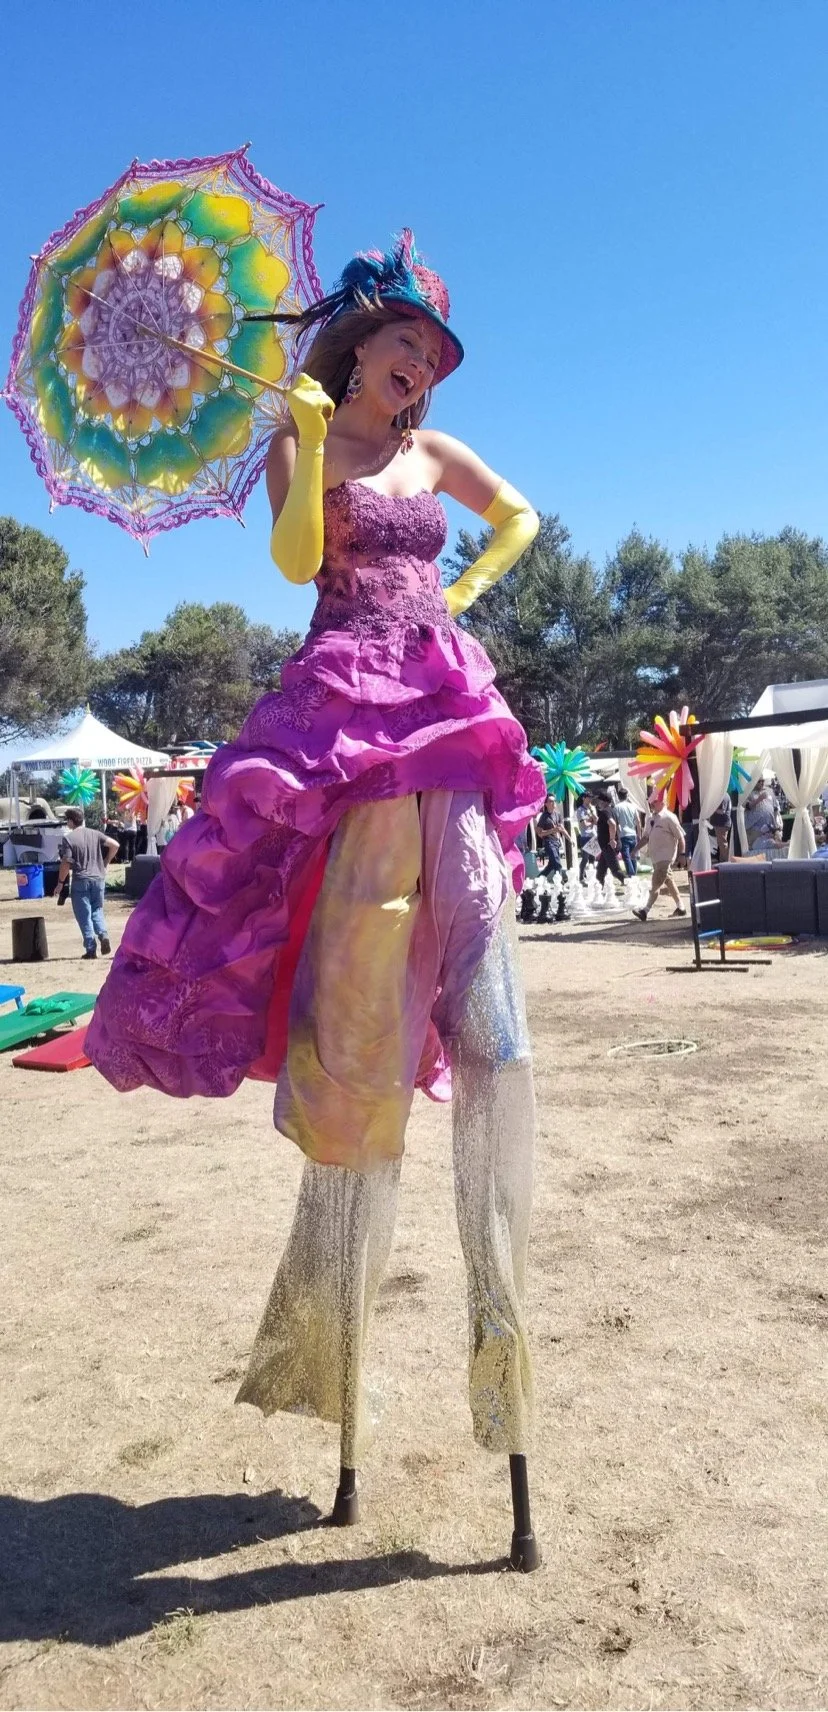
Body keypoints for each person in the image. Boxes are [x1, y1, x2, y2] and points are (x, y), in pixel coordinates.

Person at [86, 231, 546, 1555]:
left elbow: (516, 514)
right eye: (407, 347)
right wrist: (296, 437)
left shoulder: (432, 459)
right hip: (344, 733)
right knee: (354, 1075)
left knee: (496, 1040)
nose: (423, 370)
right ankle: (335, 1384)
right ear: (358, 349)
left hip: (446, 725)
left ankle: (505, 1371)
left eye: (435, 356)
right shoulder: (306, 442)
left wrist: (460, 586)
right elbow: (297, 567)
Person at [57, 807, 119, 959]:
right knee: (97, 909)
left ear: (71, 821)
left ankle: (91, 948)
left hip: (81, 880)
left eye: (67, 820)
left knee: (84, 915)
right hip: (98, 879)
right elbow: (115, 845)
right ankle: (103, 934)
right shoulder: (95, 833)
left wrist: (60, 882)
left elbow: (66, 862)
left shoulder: (69, 838)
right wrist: (106, 861)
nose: (67, 823)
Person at [632, 798, 687, 921]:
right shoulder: (650, 818)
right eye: (651, 800)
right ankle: (681, 907)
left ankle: (645, 910)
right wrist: (635, 850)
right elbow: (645, 837)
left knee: (655, 884)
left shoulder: (669, 817)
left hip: (665, 857)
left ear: (663, 802)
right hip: (656, 858)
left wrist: (682, 854)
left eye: (655, 801)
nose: (652, 803)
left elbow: (680, 837)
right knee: (668, 881)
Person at [595, 791, 624, 886]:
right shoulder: (612, 810)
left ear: (604, 801)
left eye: (599, 800)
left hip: (609, 846)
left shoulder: (605, 811)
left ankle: (631, 885)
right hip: (606, 847)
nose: (598, 803)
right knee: (600, 870)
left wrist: (612, 839)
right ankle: (599, 888)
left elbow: (612, 824)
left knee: (615, 870)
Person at [535, 792, 567, 876]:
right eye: (551, 801)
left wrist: (570, 839)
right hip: (548, 842)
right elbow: (539, 833)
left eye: (554, 801)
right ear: (546, 804)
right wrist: (552, 830)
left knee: (551, 865)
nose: (553, 803)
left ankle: (538, 880)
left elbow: (562, 829)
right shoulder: (544, 816)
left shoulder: (558, 815)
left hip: (556, 842)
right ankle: (560, 884)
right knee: (557, 863)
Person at [614, 786, 640, 875]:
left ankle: (631, 874)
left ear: (618, 796)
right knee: (633, 855)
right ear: (627, 796)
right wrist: (639, 835)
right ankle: (634, 874)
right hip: (633, 833)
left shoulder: (616, 808)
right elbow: (638, 821)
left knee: (626, 857)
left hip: (623, 834)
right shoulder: (633, 806)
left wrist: (617, 837)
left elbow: (616, 824)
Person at [576, 793, 599, 881]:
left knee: (592, 857)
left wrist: (592, 813)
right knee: (585, 858)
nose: (590, 800)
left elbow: (597, 820)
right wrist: (592, 821)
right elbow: (584, 824)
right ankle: (581, 876)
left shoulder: (592, 808)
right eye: (588, 798)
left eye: (591, 798)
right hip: (585, 836)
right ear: (583, 798)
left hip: (593, 835)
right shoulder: (580, 810)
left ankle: (592, 876)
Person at [709, 793, 732, 863]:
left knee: (722, 844)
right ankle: (722, 861)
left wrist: (711, 809)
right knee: (721, 843)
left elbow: (722, 811)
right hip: (721, 824)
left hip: (722, 824)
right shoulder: (724, 795)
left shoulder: (723, 795)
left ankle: (725, 861)